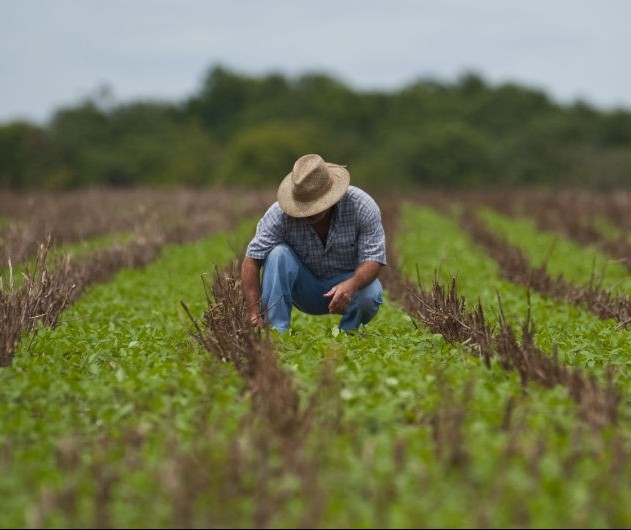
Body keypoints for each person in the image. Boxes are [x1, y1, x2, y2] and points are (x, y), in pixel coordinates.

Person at [241, 153, 386, 332]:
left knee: (371, 292)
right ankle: (275, 333)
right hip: (304, 289)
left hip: (347, 285)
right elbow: (251, 260)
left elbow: (373, 259)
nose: (309, 213)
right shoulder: (279, 214)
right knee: (278, 254)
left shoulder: (362, 206)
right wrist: (253, 313)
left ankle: (348, 335)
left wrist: (352, 284)